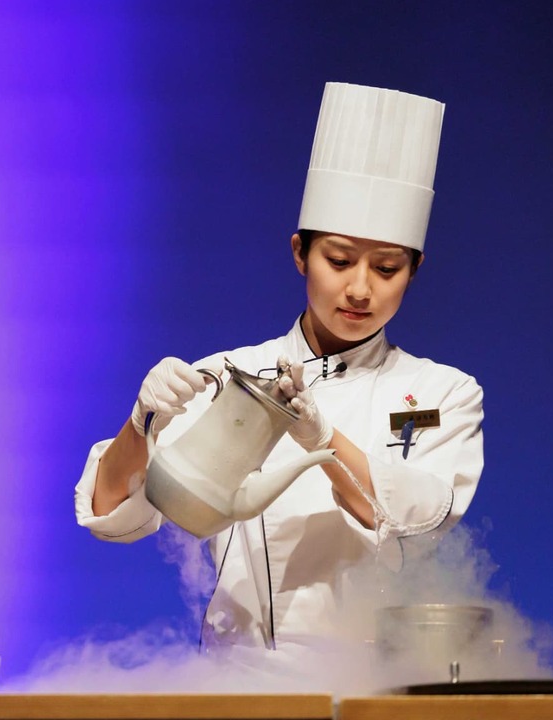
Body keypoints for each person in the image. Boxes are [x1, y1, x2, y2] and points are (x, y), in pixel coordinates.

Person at [74, 83, 484, 651]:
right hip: (236, 686)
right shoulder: (230, 375)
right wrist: (141, 421)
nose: (360, 289)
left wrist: (320, 438)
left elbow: (420, 524)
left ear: (414, 270)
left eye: (387, 268)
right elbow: (114, 514)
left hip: (373, 682)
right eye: (338, 260)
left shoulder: (444, 391)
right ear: (299, 253)